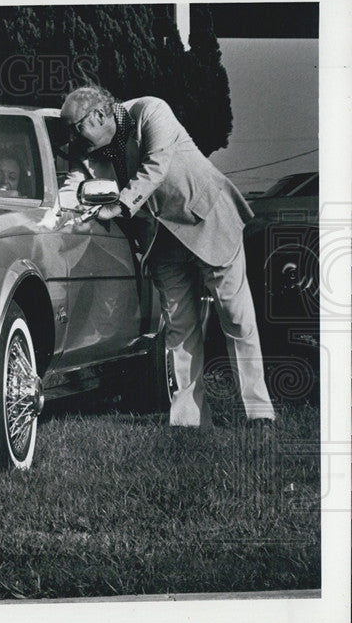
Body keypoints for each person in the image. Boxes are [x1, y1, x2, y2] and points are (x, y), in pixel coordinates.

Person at [59, 84, 274, 427]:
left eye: (75, 127)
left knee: (235, 317)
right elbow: (73, 185)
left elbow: (155, 166)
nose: (73, 137)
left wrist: (119, 206)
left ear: (98, 114)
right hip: (161, 240)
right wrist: (55, 213)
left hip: (207, 219)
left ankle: (259, 411)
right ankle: (189, 419)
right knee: (179, 327)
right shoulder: (91, 150)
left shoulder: (149, 111)